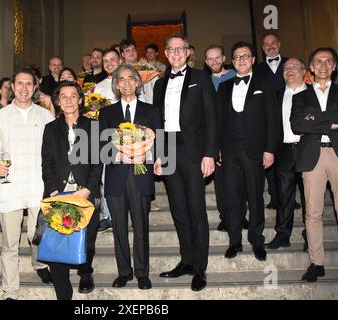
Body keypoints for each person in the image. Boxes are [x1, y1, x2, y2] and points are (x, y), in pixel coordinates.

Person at [0, 68, 56, 300]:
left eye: (29, 84)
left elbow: (54, 154)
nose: (24, 88)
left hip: (38, 186)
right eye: (19, 84)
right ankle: (10, 291)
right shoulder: (0, 117)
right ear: (12, 87)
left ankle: (40, 263)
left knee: (39, 235)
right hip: (10, 186)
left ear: (35, 87)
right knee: (10, 244)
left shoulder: (46, 116)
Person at [154, 34, 218, 292]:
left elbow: (213, 118)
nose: (177, 53)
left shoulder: (201, 78)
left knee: (196, 210)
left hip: (194, 151)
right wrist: (157, 154)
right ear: (166, 55)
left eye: (181, 49)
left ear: (188, 52)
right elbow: (157, 122)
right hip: (168, 149)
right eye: (172, 50)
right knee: (178, 210)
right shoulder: (159, 85)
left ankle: (200, 268)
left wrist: (210, 153)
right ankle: (187, 260)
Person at [99, 64, 161, 290]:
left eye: (130, 78)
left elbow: (161, 142)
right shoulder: (106, 113)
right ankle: (124, 272)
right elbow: (101, 146)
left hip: (141, 175)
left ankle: (142, 273)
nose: (126, 82)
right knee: (119, 229)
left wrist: (146, 155)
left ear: (137, 82)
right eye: (121, 79)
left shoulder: (151, 110)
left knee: (141, 226)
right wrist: (123, 156)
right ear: (116, 85)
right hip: (116, 177)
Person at [218, 41, 279, 262]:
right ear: (232, 61)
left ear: (253, 59)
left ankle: (256, 239)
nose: (241, 60)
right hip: (229, 150)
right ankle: (235, 241)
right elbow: (219, 121)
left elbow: (273, 120)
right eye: (237, 57)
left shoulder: (265, 84)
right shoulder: (224, 88)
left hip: (255, 149)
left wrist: (270, 149)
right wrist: (218, 149)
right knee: (232, 198)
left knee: (255, 197)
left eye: (245, 56)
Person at [41, 81, 102, 300]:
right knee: (58, 243)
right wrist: (52, 191)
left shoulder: (93, 126)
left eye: (72, 95)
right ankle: (63, 294)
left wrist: (88, 189)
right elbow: (46, 163)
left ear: (80, 100)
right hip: (58, 194)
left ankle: (86, 272)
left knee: (88, 239)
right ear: (57, 102)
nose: (68, 99)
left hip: (85, 192)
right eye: (63, 96)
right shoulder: (50, 129)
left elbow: (97, 163)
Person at [291, 47, 338, 283]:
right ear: (311, 68)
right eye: (318, 62)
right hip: (312, 157)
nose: (323, 65)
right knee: (312, 213)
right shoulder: (300, 97)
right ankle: (317, 263)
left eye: (328, 61)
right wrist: (331, 119)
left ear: (334, 67)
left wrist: (315, 118)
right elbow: (297, 125)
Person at [204, 44, 248, 232]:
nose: (214, 61)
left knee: (240, 180)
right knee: (221, 182)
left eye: (217, 58)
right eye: (210, 59)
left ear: (224, 58)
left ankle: (240, 215)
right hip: (214, 138)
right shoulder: (203, 81)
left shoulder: (236, 76)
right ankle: (225, 216)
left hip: (236, 137)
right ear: (206, 62)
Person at [266, 58, 308, 250]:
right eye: (286, 68)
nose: (289, 71)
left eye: (294, 67)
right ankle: (283, 234)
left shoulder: (313, 92)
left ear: (303, 71)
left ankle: (310, 236)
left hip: (309, 150)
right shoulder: (277, 95)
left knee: (310, 197)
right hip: (284, 151)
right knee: (284, 196)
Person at [256, 32, 288, 210]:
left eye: (273, 42)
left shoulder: (291, 64)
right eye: (266, 44)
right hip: (266, 121)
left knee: (288, 160)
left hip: (289, 120)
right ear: (262, 48)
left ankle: (288, 195)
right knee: (269, 159)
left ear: (279, 44)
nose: (270, 46)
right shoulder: (257, 69)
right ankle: (275, 196)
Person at [94, 48, 123, 232]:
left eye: (113, 59)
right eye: (106, 60)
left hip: (128, 138)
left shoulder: (128, 80)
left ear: (120, 60)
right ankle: (108, 216)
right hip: (105, 138)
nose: (109, 63)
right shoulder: (99, 87)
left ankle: (125, 213)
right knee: (105, 179)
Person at [120, 39, 158, 104]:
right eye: (127, 50)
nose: (131, 52)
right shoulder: (120, 72)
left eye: (133, 49)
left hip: (149, 106)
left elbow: (157, 88)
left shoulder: (149, 68)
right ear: (122, 54)